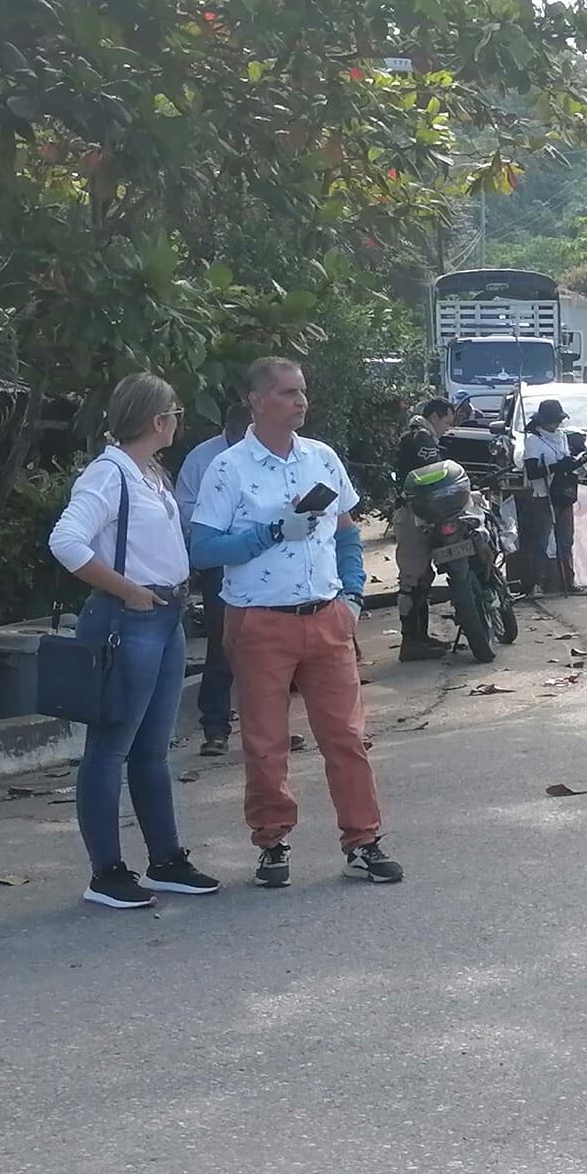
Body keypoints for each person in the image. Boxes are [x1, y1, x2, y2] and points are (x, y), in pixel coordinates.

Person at [189, 357, 400, 889]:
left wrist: (353, 595)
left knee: (347, 738)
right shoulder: (228, 468)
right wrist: (270, 533)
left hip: (326, 616)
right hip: (260, 621)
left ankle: (363, 841)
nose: (300, 401)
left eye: (302, 391)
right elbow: (204, 549)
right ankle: (272, 842)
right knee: (265, 742)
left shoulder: (322, 458)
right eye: (287, 393)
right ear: (257, 401)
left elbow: (347, 527)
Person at [48, 374, 220, 909]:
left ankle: (166, 859)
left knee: (151, 748)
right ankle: (107, 872)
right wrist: (130, 591)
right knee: (110, 748)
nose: (178, 421)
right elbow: (66, 541)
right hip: (129, 620)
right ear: (157, 419)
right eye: (175, 412)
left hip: (163, 619)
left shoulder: (148, 473)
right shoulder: (109, 474)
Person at [176, 404, 249, 755]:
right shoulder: (203, 458)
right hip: (220, 558)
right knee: (223, 644)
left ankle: (271, 726)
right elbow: (184, 505)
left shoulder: (270, 453)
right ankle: (215, 727)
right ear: (227, 431)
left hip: (263, 560)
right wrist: (217, 520)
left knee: (268, 646)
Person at [390, 396, 461, 661]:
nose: (447, 429)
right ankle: (411, 641)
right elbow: (435, 475)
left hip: (419, 515)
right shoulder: (421, 439)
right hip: (412, 516)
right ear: (434, 417)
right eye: (446, 422)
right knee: (412, 578)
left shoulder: (417, 437)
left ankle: (420, 637)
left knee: (423, 578)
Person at [516, 399, 571, 597]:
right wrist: (555, 467)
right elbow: (531, 472)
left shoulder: (562, 437)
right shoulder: (534, 441)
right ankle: (536, 583)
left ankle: (567, 581)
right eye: (552, 421)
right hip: (543, 495)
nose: (555, 425)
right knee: (541, 541)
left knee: (565, 540)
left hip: (563, 495)